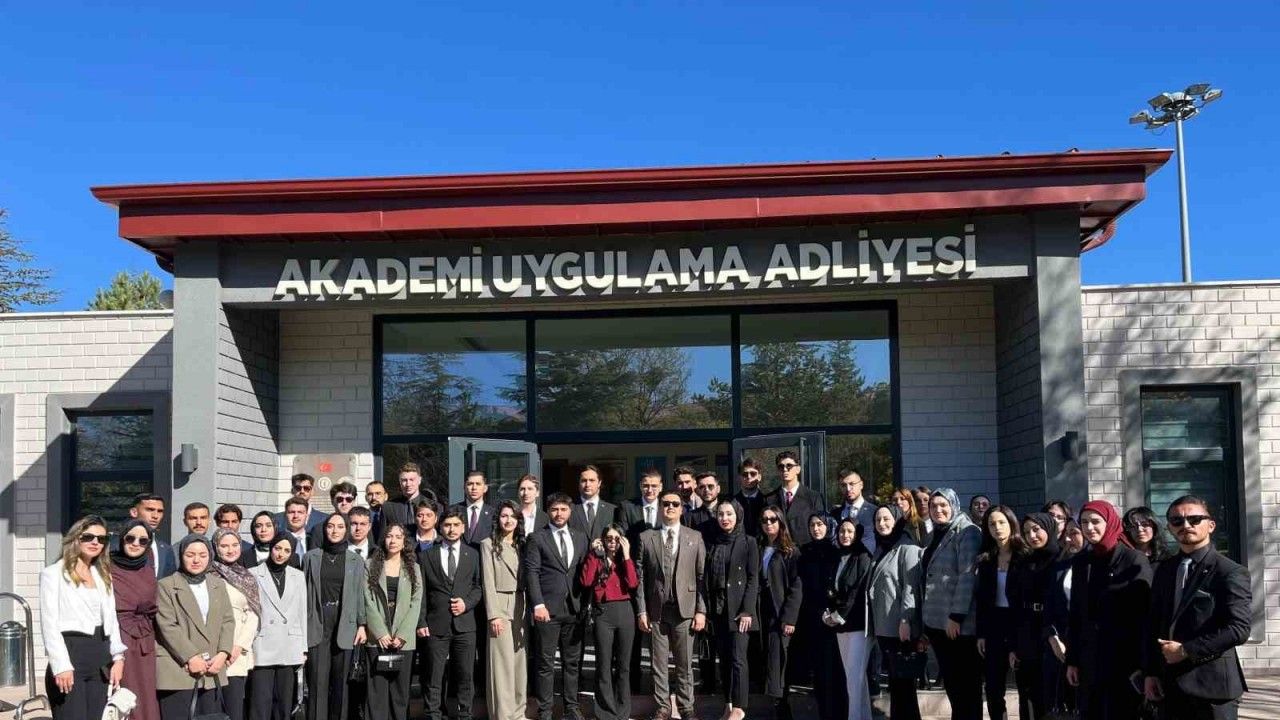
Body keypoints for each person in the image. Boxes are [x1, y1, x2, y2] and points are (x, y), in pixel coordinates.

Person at [1143, 495, 1252, 720]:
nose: (1186, 525)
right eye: (1177, 521)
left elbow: (1238, 629)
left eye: (1194, 519)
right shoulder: (1164, 570)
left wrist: (1186, 650)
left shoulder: (1229, 572)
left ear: (1210, 525)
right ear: (1170, 528)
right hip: (1169, 687)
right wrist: (1150, 673)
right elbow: (1154, 623)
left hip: (1212, 688)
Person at [1065, 500, 1152, 720]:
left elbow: (1145, 617)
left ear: (1110, 522)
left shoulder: (1133, 559)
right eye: (1084, 522)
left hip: (1124, 660)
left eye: (1095, 521)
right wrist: (1072, 660)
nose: (1089, 528)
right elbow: (1076, 613)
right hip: (1089, 659)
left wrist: (1146, 667)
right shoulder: (1081, 561)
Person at [40, 516, 126, 720]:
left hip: (100, 656)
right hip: (71, 653)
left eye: (101, 539)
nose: (95, 542)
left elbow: (111, 620)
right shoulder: (53, 574)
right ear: (75, 538)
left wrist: (118, 658)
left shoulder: (103, 574)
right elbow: (49, 623)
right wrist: (61, 665)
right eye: (88, 537)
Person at [635, 489, 706, 720]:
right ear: (660, 507)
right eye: (666, 503)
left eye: (675, 504)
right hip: (656, 610)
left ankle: (686, 707)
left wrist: (701, 610)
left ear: (682, 508)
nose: (670, 507)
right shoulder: (646, 537)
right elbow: (640, 578)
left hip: (685, 610)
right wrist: (642, 610)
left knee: (685, 664)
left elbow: (701, 577)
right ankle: (663, 707)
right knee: (658, 664)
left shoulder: (694, 537)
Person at [155, 535, 236, 720]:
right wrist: (191, 657)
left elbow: (228, 620)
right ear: (181, 556)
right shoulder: (166, 586)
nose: (196, 560)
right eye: (190, 555)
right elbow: (167, 626)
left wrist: (223, 654)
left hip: (212, 668)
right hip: (178, 669)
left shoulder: (217, 584)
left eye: (202, 555)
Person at [524, 493, 589, 720]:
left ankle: (571, 707)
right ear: (548, 512)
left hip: (574, 609)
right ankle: (545, 710)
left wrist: (586, 604)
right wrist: (538, 604)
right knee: (545, 663)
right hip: (547, 610)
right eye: (554, 509)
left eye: (563, 509)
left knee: (572, 663)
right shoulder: (537, 538)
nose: (558, 514)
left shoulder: (580, 537)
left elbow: (585, 571)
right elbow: (531, 572)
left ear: (570, 511)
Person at [920, 487, 983, 720]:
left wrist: (956, 616)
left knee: (967, 688)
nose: (938, 510)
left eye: (943, 505)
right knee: (954, 687)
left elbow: (968, 575)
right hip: (938, 623)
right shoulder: (937, 533)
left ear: (954, 505)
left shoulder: (967, 531)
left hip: (958, 625)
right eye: (933, 506)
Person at [417, 509, 483, 720]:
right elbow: (421, 592)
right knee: (433, 676)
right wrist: (421, 621)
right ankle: (434, 715)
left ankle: (465, 714)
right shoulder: (426, 556)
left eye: (456, 525)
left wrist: (466, 604)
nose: (451, 529)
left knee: (465, 675)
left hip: (465, 625)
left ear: (463, 528)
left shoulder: (473, 554)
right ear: (440, 527)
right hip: (435, 624)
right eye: (447, 525)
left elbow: (478, 587)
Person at [303, 513, 367, 720]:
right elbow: (304, 591)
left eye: (340, 526)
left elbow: (360, 593)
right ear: (324, 529)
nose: (335, 530)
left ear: (346, 530)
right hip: (318, 621)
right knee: (317, 681)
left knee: (342, 685)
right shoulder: (311, 557)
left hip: (345, 622)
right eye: (330, 526)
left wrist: (362, 624)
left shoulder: (356, 560)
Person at [702, 501, 757, 720]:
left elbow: (753, 579)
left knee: (738, 659)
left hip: (739, 610)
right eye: (721, 514)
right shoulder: (714, 542)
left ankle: (740, 707)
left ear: (738, 516)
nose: (725, 518)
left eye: (729, 514)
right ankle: (729, 702)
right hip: (718, 608)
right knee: (724, 659)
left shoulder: (749, 542)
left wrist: (747, 610)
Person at [1007, 512, 1065, 720]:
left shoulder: (1063, 559)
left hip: (1054, 633)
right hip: (1026, 631)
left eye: (1036, 529)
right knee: (1028, 693)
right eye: (1026, 532)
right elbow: (1014, 602)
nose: (1031, 536)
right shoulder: (1023, 561)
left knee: (1052, 693)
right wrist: (1013, 645)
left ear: (1049, 528)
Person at [362, 524, 423, 720]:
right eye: (389, 536)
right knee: (376, 692)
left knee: (400, 693)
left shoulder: (413, 568)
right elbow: (367, 599)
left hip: (402, 640)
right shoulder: (370, 565)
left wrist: (403, 634)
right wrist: (380, 632)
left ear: (404, 542)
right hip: (377, 638)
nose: (393, 540)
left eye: (398, 537)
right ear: (384, 540)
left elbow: (416, 602)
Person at [868, 504, 923, 720]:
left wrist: (905, 620)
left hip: (900, 627)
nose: (881, 524)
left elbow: (911, 587)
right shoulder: (881, 548)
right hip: (884, 626)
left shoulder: (907, 548)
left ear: (897, 520)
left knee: (904, 685)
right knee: (895, 683)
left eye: (886, 519)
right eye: (878, 520)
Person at [580, 523, 640, 720]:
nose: (612, 542)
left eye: (616, 539)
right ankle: (605, 712)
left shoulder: (625, 560)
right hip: (603, 612)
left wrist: (627, 555)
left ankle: (622, 711)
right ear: (603, 540)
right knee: (603, 664)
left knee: (623, 665)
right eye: (609, 539)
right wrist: (593, 554)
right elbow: (586, 581)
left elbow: (633, 583)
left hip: (625, 611)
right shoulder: (597, 558)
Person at [974, 505, 1026, 720]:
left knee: (1025, 687)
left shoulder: (1024, 555)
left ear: (1012, 524)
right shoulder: (986, 559)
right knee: (994, 688)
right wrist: (981, 633)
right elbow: (981, 600)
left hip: (1019, 624)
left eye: (1002, 522)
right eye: (992, 524)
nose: (997, 528)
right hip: (994, 624)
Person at [249, 534, 307, 720]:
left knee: (284, 702)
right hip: (262, 642)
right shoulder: (253, 573)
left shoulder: (298, 576)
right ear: (271, 548)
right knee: (260, 701)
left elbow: (302, 612)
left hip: (289, 643)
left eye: (287, 550)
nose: (281, 554)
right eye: (277, 548)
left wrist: (303, 647)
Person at [481, 501, 529, 720]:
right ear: (497, 519)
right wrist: (494, 615)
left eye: (513, 516)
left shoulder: (524, 545)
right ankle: (503, 714)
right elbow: (488, 582)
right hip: (500, 604)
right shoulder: (488, 544)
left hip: (521, 604)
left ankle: (518, 712)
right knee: (501, 664)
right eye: (504, 516)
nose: (508, 520)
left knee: (519, 661)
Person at [109, 520, 161, 720]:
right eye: (130, 538)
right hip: (117, 638)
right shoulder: (106, 566)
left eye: (143, 540)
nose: (136, 544)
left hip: (145, 641)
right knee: (120, 696)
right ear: (122, 539)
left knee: (145, 694)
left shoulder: (148, 567)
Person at [825, 517, 873, 720]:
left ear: (857, 534)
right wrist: (829, 613)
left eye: (850, 531)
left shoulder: (863, 556)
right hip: (840, 625)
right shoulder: (837, 556)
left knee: (854, 678)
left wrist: (839, 615)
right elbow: (832, 587)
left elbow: (857, 591)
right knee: (855, 678)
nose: (845, 535)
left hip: (859, 624)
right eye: (842, 531)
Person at [211, 529, 261, 720]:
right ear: (216, 547)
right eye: (224, 546)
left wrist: (239, 646)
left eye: (235, 545)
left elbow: (254, 614)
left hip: (236, 653)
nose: (230, 550)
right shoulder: (208, 574)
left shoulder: (247, 577)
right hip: (211, 650)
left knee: (234, 709)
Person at [759, 505, 804, 720]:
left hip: (780, 613)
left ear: (781, 522)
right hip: (762, 611)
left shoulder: (791, 551)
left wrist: (789, 618)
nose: (768, 523)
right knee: (768, 659)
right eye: (764, 520)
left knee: (780, 661)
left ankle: (782, 707)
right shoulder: (758, 547)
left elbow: (797, 586)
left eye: (773, 519)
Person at [797, 512, 842, 719]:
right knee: (818, 670)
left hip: (832, 618)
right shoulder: (804, 552)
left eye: (820, 524)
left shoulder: (836, 552)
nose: (816, 529)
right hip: (810, 616)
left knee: (834, 670)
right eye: (812, 525)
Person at [765, 451, 825, 545]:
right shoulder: (769, 499)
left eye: (789, 466)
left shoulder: (813, 497)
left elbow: (820, 528)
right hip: (779, 550)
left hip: (805, 550)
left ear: (798, 469)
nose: (785, 469)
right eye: (781, 466)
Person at [129, 494, 176, 578]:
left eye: (160, 511)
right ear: (134, 512)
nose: (155, 516)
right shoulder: (116, 545)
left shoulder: (166, 550)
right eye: (150, 510)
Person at [571, 464, 619, 540]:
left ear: (599, 483)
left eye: (592, 480)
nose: (587, 484)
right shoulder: (570, 509)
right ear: (579, 483)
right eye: (584, 481)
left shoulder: (613, 510)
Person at [834, 469, 877, 553]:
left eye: (852, 484)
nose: (848, 489)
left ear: (861, 485)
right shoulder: (834, 514)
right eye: (843, 485)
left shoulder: (875, 512)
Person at [383, 463, 432, 534]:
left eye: (412, 480)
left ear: (419, 480)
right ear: (399, 481)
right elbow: (382, 536)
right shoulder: (388, 507)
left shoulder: (433, 506)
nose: (408, 484)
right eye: (404, 480)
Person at [622, 468, 664, 551]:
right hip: (634, 555)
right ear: (640, 486)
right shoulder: (627, 507)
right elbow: (623, 535)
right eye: (646, 486)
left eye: (654, 486)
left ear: (660, 487)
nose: (650, 490)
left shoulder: (667, 507)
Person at [308, 481, 359, 548]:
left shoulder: (362, 526)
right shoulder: (319, 529)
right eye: (339, 499)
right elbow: (314, 553)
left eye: (348, 499)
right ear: (332, 501)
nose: (344, 503)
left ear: (354, 501)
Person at [458, 470, 496, 547]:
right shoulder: (453, 510)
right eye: (470, 484)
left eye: (478, 484)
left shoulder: (494, 514)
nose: (474, 488)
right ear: (464, 487)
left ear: (485, 488)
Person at [684, 470, 723, 535]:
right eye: (702, 487)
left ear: (718, 489)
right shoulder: (689, 518)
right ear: (697, 491)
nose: (706, 490)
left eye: (710, 486)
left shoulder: (729, 513)